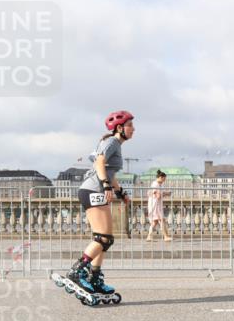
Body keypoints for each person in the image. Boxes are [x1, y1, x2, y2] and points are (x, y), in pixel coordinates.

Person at [66, 110, 134, 299]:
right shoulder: (111, 141)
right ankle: (77, 272)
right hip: (93, 189)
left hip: (94, 189)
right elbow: (100, 163)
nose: (133, 129)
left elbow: (110, 173)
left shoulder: (115, 144)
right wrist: (105, 186)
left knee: (103, 238)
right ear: (120, 128)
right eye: (130, 126)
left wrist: (120, 192)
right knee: (104, 238)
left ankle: (94, 277)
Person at [145, 170, 172, 242]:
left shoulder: (158, 184)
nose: (164, 181)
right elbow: (158, 195)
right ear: (161, 177)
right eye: (164, 179)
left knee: (155, 222)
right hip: (155, 205)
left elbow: (159, 194)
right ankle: (166, 237)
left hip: (156, 205)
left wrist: (166, 193)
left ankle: (149, 236)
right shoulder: (155, 184)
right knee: (161, 220)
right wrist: (165, 194)